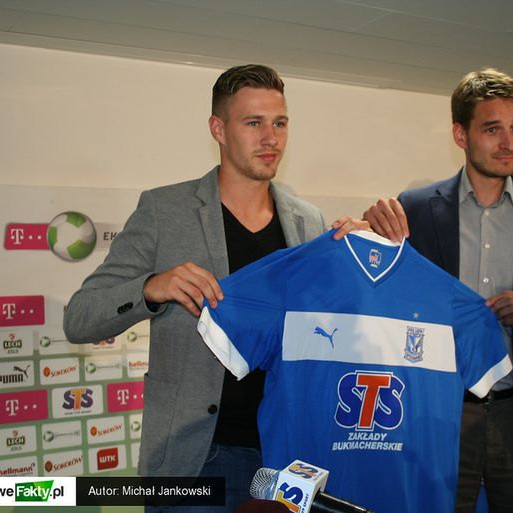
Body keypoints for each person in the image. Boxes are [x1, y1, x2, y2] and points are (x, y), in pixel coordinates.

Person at [63, 64, 364, 512]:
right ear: (218, 129)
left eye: (280, 123)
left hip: (288, 459)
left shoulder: (310, 222)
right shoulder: (164, 210)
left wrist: (363, 257)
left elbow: (333, 330)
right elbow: (79, 317)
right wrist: (151, 288)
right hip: (194, 459)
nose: (271, 138)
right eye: (254, 123)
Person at [363, 68, 513, 513]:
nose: (508, 143)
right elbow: (386, 306)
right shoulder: (416, 209)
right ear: (461, 134)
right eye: (492, 129)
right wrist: (365, 236)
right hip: (440, 413)